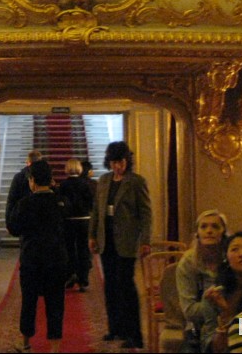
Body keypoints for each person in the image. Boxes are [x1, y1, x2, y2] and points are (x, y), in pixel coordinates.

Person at [89, 141, 152, 350]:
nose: (118, 166)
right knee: (111, 286)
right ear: (109, 162)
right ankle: (115, 327)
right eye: (115, 162)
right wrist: (92, 236)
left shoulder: (136, 182)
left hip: (126, 242)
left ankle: (135, 334)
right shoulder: (104, 181)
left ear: (127, 161)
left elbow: (145, 214)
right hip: (106, 240)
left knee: (126, 286)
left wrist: (145, 241)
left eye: (121, 162)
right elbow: (97, 211)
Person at [7, 160, 69, 353]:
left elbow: (13, 228)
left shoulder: (25, 203)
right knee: (55, 304)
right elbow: (69, 230)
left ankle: (26, 343)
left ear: (32, 181)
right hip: (56, 260)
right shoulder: (61, 202)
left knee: (29, 302)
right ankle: (55, 348)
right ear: (50, 180)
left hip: (31, 260)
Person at [198, 231, 242, 353]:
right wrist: (225, 314)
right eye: (234, 249)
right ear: (226, 257)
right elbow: (215, 348)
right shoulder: (216, 294)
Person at [176, 209, 228, 347]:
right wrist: (214, 303)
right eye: (203, 227)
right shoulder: (188, 263)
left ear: (223, 232)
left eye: (215, 226)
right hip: (197, 328)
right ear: (197, 234)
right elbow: (190, 312)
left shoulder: (230, 259)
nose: (209, 231)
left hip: (231, 323)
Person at [59, 158, 94, 291]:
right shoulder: (85, 184)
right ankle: (83, 279)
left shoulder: (63, 185)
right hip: (84, 220)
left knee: (69, 249)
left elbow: (61, 203)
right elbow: (91, 203)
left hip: (68, 221)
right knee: (83, 250)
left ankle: (70, 275)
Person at [6, 150, 43, 231]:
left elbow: (11, 199)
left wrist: (9, 221)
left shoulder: (19, 177)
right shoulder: (44, 176)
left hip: (24, 214)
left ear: (28, 162)